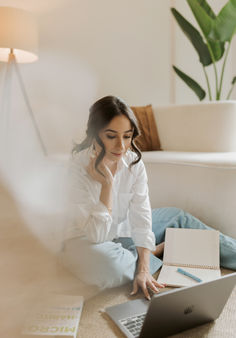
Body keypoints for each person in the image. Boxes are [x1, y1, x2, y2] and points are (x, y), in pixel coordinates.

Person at [61, 95, 236, 300]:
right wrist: (106, 185)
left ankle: (147, 255)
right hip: (89, 242)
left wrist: (144, 269)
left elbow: (141, 218)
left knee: (176, 216)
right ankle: (153, 253)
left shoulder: (133, 163)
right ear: (94, 134)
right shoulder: (77, 168)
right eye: (111, 136)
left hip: (125, 235)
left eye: (127, 136)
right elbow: (96, 235)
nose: (121, 146)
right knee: (108, 268)